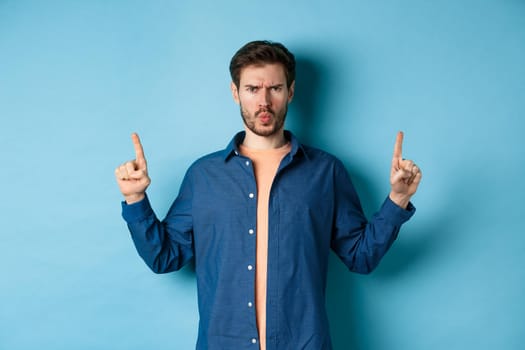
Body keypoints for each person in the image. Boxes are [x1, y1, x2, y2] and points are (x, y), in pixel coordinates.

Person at [115, 40, 422, 350]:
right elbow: (163, 257)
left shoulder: (325, 172)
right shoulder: (203, 176)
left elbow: (361, 256)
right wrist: (135, 200)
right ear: (235, 93)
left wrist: (397, 199)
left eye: (274, 88)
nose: (264, 101)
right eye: (252, 89)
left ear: (290, 92)